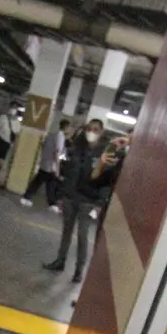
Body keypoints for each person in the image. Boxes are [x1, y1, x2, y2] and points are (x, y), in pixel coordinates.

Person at [43, 120, 124, 283]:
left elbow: (106, 180)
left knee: (82, 235)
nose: (91, 132)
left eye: (95, 130)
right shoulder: (77, 147)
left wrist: (100, 203)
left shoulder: (106, 152)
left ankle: (79, 270)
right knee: (66, 231)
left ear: (101, 132)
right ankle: (60, 261)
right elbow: (69, 173)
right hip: (71, 196)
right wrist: (62, 195)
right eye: (89, 129)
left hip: (89, 199)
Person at [21, 118, 70, 210]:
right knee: (49, 183)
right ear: (66, 127)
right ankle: (51, 204)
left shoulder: (52, 134)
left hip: (45, 162)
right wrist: (57, 168)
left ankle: (28, 197)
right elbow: (57, 152)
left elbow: (43, 145)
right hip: (51, 165)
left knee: (42, 182)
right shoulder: (60, 136)